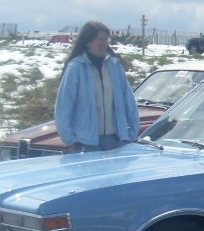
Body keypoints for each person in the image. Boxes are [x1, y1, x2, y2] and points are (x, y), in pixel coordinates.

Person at [55, 21, 140, 153]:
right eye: (99, 39)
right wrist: (70, 140)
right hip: (86, 144)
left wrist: (132, 133)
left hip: (115, 141)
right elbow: (63, 107)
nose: (103, 43)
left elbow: (128, 100)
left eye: (106, 39)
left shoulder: (114, 66)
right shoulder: (76, 67)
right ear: (88, 42)